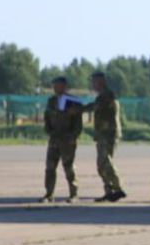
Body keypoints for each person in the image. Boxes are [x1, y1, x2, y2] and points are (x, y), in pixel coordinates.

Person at [85, 71, 127, 202]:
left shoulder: (108, 95)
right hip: (103, 134)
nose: (93, 85)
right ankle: (109, 191)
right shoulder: (102, 96)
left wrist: (78, 109)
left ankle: (118, 188)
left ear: (101, 82)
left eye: (94, 82)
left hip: (109, 134)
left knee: (106, 162)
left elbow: (95, 107)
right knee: (101, 164)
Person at [40, 76, 83, 202]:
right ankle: (49, 194)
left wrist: (73, 137)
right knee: (50, 167)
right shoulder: (51, 101)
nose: (55, 88)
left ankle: (74, 194)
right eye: (54, 85)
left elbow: (78, 123)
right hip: (54, 138)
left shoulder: (73, 101)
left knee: (68, 167)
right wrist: (48, 131)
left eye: (58, 85)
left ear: (64, 86)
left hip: (67, 139)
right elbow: (47, 117)